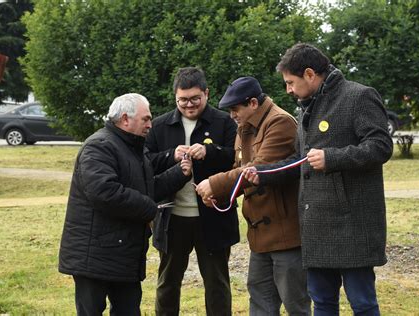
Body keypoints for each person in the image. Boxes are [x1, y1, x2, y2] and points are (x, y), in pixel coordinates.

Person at [243, 43, 393, 315]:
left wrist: (332, 158)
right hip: (316, 229)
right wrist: (262, 174)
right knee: (322, 303)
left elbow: (381, 146)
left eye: (290, 82)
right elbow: (301, 161)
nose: (288, 89)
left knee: (362, 303)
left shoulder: (359, 96)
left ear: (310, 74)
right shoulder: (307, 108)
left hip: (353, 227)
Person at [58, 93, 192, 315]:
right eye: (146, 119)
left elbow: (146, 189)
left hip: (123, 253)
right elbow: (105, 192)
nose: (151, 124)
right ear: (125, 119)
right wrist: (151, 209)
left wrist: (179, 174)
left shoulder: (133, 148)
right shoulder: (99, 146)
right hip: (94, 257)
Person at [195, 76, 311, 315]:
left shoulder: (280, 122)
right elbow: (242, 174)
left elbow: (257, 168)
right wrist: (223, 196)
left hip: (286, 235)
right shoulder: (245, 127)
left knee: (295, 304)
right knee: (260, 302)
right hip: (261, 236)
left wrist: (215, 185)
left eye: (235, 108)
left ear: (253, 104)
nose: (232, 115)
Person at [145, 67, 239, 316]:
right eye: (182, 100)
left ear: (206, 94)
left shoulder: (226, 122)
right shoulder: (159, 126)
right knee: (167, 283)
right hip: (171, 218)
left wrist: (211, 152)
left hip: (214, 216)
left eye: (195, 99)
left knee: (217, 283)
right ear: (175, 97)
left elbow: (237, 160)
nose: (188, 105)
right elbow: (144, 163)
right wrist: (169, 156)